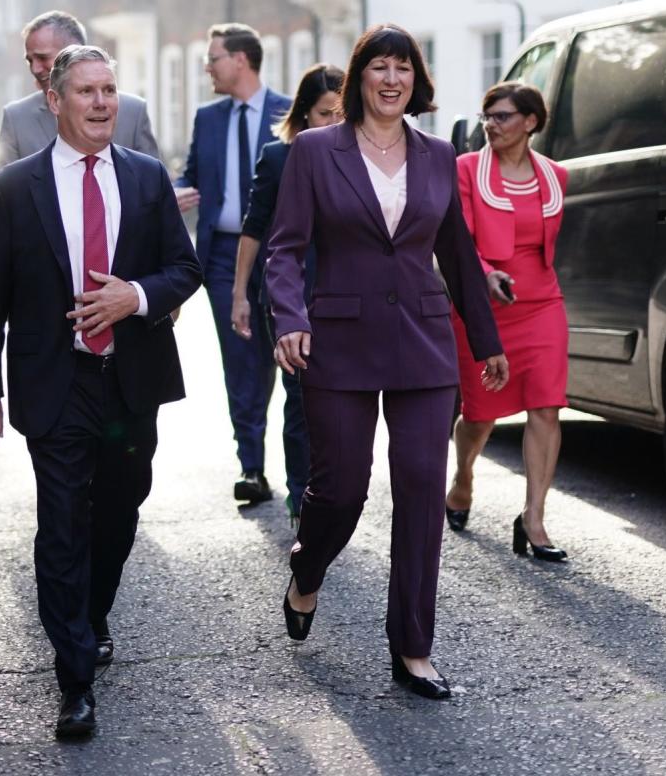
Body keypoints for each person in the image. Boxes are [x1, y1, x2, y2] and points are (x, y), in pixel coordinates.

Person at [265, 25, 509, 700]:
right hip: (338, 341)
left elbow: (457, 253)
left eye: (404, 67)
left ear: (416, 79)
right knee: (341, 489)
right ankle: (307, 571)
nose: (392, 78)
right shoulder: (314, 151)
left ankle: (413, 647)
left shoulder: (438, 155)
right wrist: (290, 319)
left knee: (424, 488)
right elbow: (284, 249)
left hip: (425, 342)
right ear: (358, 78)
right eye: (380, 66)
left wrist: (486, 341)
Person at [0, 45, 201, 738]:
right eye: (87, 92)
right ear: (55, 101)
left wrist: (135, 296)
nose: (102, 104)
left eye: (110, 91)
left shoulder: (146, 178)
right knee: (63, 523)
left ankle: (91, 614)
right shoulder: (14, 188)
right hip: (56, 379)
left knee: (121, 509)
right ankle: (74, 677)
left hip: (131, 380)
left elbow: (183, 270)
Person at [444, 83, 570, 562]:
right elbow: (458, 241)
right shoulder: (465, 170)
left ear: (530, 122)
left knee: (546, 406)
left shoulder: (557, 177)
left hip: (541, 302)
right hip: (481, 306)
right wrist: (487, 275)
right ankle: (464, 476)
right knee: (481, 414)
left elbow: (547, 248)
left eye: (501, 116)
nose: (490, 125)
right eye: (486, 117)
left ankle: (533, 518)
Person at [175, 23, 292, 504]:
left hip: (283, 254)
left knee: (290, 359)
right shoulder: (208, 117)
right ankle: (252, 467)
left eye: (214, 58)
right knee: (241, 361)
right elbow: (191, 174)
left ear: (240, 60)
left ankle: (303, 473)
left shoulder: (288, 112)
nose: (208, 67)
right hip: (223, 257)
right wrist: (175, 190)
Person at [232, 63, 344, 523]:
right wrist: (239, 293)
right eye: (324, 114)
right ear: (302, 114)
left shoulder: (362, 156)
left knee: (338, 401)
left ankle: (331, 487)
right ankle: (303, 497)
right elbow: (254, 228)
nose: (333, 124)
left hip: (347, 297)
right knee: (300, 399)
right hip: (289, 295)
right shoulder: (279, 157)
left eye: (341, 114)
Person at [0, 10, 159, 170]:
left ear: (76, 52)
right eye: (30, 60)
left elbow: (154, 187)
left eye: (43, 58)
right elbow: (4, 192)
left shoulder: (133, 112)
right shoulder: (16, 118)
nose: (35, 69)